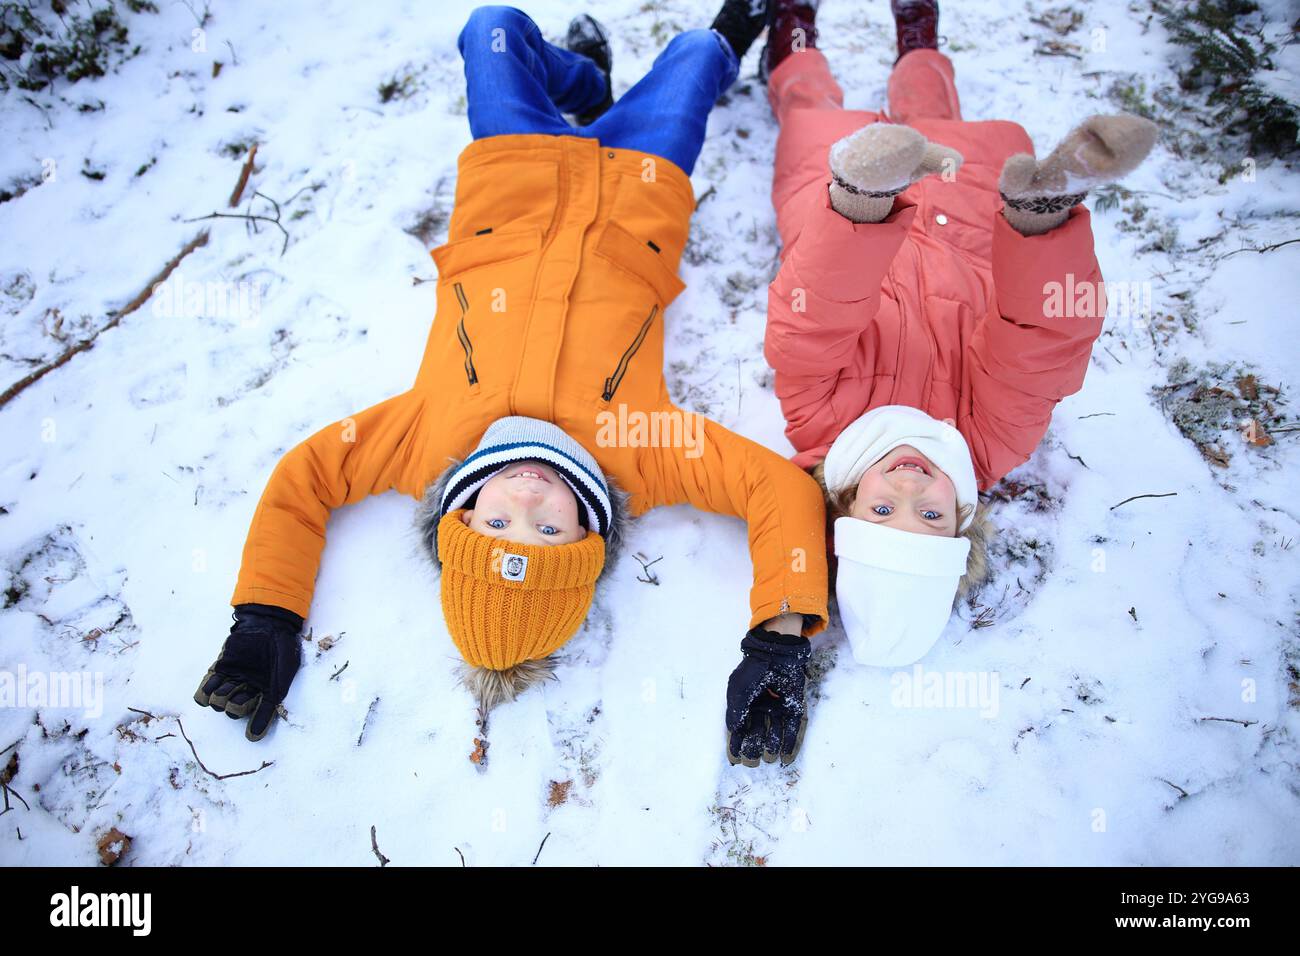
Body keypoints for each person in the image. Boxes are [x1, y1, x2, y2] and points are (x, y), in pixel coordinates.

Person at [193, 3, 830, 769]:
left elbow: (304, 479)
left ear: (458, 516)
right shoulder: (644, 455)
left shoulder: (421, 439)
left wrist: (265, 614)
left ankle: (585, 82)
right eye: (549, 531)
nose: (525, 503)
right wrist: (782, 634)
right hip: (641, 187)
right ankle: (725, 40)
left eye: (495, 528)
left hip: (512, 175)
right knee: (696, 49)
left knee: (493, 25)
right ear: (589, 538)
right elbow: (780, 492)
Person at [750, 0, 1158, 671]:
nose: (911, 489)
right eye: (931, 517)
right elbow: (1041, 343)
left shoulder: (820, 423)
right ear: (964, 522)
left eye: (885, 509)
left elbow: (812, 314)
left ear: (847, 505)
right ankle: (919, 40)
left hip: (837, 208)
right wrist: (1038, 223)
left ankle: (794, 31)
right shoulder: (991, 441)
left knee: (810, 112)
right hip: (967, 223)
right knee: (938, 116)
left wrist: (859, 203)